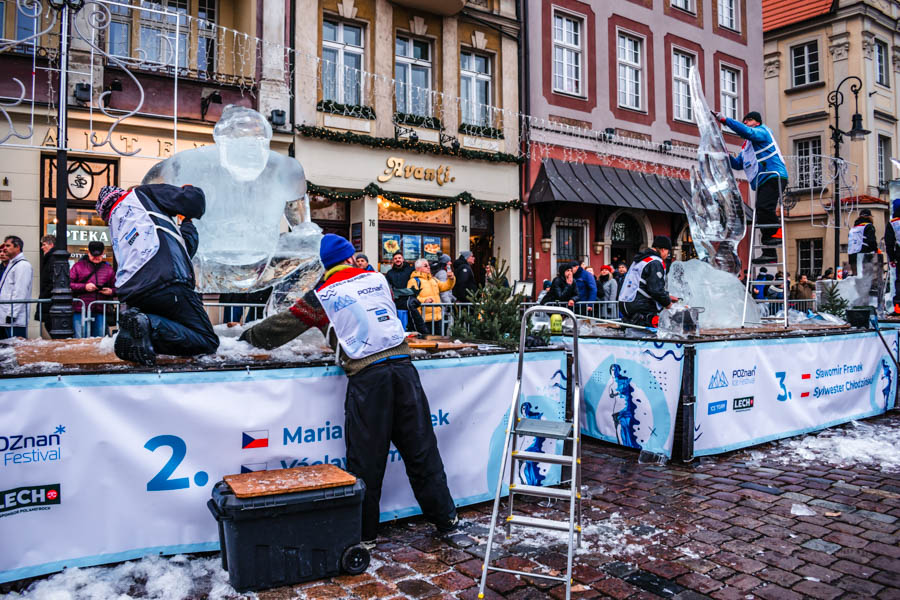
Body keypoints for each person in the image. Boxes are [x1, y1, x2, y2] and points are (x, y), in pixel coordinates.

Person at [238, 234, 458, 545]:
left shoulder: (322, 295)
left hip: (369, 379)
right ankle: (446, 518)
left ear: (324, 265)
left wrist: (241, 338)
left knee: (366, 460)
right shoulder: (377, 279)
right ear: (351, 258)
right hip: (405, 370)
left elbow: (278, 329)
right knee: (421, 450)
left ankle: (364, 533)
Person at [95, 184, 219, 365]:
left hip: (134, 293)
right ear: (122, 193)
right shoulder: (141, 195)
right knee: (206, 340)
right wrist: (188, 194)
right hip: (166, 281)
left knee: (168, 332)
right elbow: (193, 201)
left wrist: (186, 224)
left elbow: (183, 248)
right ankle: (149, 325)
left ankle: (143, 329)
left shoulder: (117, 227)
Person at [714, 110, 789, 263]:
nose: (745, 123)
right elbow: (737, 164)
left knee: (764, 208)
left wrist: (725, 120)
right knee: (761, 214)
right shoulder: (747, 148)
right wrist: (723, 154)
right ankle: (770, 253)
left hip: (774, 175)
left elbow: (748, 132)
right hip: (762, 180)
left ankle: (777, 233)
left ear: (756, 122)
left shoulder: (762, 132)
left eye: (748, 120)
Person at [618, 236, 677, 327]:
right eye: (668, 252)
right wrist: (669, 304)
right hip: (642, 306)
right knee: (648, 335)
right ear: (663, 250)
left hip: (626, 303)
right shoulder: (655, 262)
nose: (667, 256)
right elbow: (656, 290)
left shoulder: (640, 260)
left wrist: (667, 296)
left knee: (631, 333)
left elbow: (642, 284)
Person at [70, 241, 116, 338]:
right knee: (80, 341)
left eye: (99, 255)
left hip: (100, 311)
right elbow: (67, 285)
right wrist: (84, 287)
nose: (96, 257)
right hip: (81, 310)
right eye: (93, 255)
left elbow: (117, 288)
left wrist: (111, 291)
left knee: (99, 341)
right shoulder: (78, 267)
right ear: (88, 253)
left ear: (103, 253)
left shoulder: (108, 269)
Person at [0, 235, 34, 339]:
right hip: (5, 317)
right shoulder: (13, 264)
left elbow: (20, 291)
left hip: (13, 319)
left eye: (8, 245)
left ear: (17, 247)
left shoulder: (22, 265)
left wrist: (12, 314)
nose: (5, 248)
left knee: (15, 350)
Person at [408, 258, 455, 329]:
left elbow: (445, 287)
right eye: (425, 266)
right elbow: (411, 298)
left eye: (428, 265)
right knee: (426, 339)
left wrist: (451, 279)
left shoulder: (433, 280)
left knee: (438, 339)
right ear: (418, 268)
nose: (429, 267)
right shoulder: (414, 281)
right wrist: (424, 300)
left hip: (437, 318)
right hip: (424, 319)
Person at [36, 235, 55, 334]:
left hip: (50, 299)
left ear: (51, 245)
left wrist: (45, 294)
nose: (42, 247)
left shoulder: (52, 259)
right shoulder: (49, 259)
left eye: (44, 245)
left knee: (51, 326)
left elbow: (52, 280)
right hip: (49, 298)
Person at [885, 205, 900, 313]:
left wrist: (892, 257)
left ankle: (898, 307)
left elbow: (889, 242)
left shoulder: (893, 223)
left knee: (899, 281)